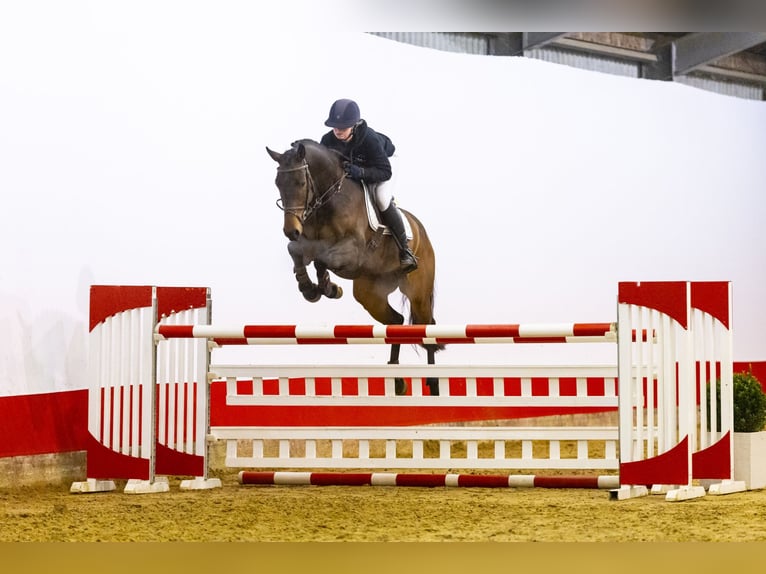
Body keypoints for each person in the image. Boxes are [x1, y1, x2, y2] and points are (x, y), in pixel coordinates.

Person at [320, 98, 418, 273]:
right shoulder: (327, 141)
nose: (337, 130)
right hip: (355, 170)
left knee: (381, 198)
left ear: (354, 125)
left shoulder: (369, 139)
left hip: (384, 163)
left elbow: (385, 172)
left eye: (342, 127)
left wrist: (361, 173)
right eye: (334, 126)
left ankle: (405, 250)